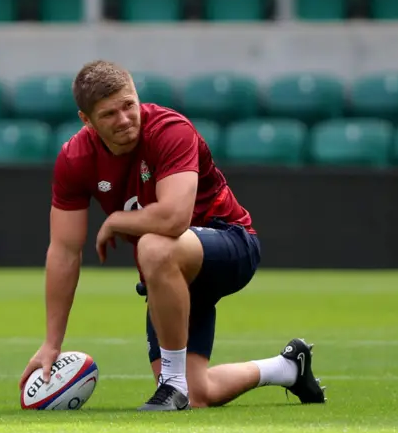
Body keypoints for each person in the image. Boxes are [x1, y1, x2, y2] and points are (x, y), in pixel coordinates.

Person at [18, 60, 327, 411]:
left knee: (153, 244)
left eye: (129, 105)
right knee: (200, 394)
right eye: (108, 115)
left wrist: (118, 220)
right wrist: (51, 343)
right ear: (86, 120)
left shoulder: (169, 129)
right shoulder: (75, 158)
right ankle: (287, 367)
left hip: (229, 242)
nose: (124, 119)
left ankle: (172, 385)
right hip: (169, 272)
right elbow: (64, 251)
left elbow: (174, 219)